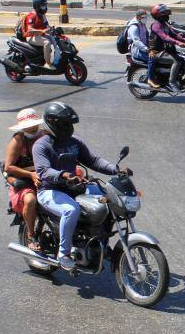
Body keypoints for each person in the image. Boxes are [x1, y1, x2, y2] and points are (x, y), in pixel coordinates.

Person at [31, 102, 130, 271]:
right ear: (52, 123)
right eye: (64, 124)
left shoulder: (75, 142)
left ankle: (101, 241)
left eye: (69, 123)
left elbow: (93, 161)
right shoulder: (41, 145)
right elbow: (43, 171)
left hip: (75, 187)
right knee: (71, 210)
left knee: (108, 200)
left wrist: (116, 169)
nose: (68, 127)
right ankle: (64, 253)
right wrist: (62, 175)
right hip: (50, 191)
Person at [4, 108, 47, 249]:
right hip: (25, 179)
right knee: (31, 200)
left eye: (33, 123)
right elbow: (8, 167)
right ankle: (31, 235)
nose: (32, 126)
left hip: (46, 176)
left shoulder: (45, 135)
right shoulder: (18, 140)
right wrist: (31, 174)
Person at [148, 3, 185, 91]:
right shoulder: (156, 25)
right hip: (156, 52)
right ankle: (172, 82)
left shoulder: (165, 24)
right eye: (165, 14)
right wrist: (178, 43)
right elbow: (164, 37)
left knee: (184, 58)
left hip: (166, 50)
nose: (167, 16)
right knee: (177, 61)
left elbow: (175, 35)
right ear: (159, 15)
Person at [21, 0, 56, 69]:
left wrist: (50, 28)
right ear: (37, 7)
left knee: (55, 39)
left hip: (39, 35)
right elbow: (30, 30)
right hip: (31, 36)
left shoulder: (42, 15)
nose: (45, 7)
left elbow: (46, 25)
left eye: (45, 5)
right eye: (43, 6)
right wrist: (42, 31)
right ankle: (47, 63)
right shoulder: (32, 16)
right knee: (47, 42)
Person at [125, 9, 155, 80]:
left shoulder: (142, 24)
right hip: (137, 51)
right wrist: (146, 49)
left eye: (146, 17)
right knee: (153, 59)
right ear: (138, 17)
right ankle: (150, 79)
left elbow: (147, 35)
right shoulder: (134, 27)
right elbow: (137, 41)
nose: (145, 18)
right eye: (143, 17)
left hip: (143, 49)